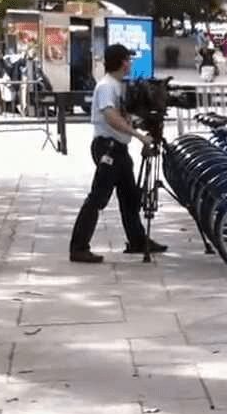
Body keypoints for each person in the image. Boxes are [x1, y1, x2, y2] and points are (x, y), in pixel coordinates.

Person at [69, 44, 165, 264]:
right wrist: (139, 137)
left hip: (119, 148)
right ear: (123, 62)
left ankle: (138, 240)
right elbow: (112, 118)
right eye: (129, 60)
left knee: (130, 198)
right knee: (98, 198)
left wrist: (141, 127)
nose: (131, 64)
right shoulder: (106, 87)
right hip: (108, 148)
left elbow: (124, 118)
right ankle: (78, 247)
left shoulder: (117, 85)